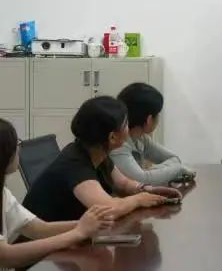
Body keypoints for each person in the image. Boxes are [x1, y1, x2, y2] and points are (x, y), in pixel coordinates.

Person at [22, 96, 182, 223]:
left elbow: (123, 184)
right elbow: (108, 209)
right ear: (112, 137)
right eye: (126, 124)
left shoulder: (97, 153)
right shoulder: (75, 164)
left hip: (68, 238)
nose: (129, 128)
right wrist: (139, 199)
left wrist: (147, 190)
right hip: (42, 249)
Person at [0, 118, 113, 270]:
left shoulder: (4, 193)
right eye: (16, 144)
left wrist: (90, 224)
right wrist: (77, 233)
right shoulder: (74, 161)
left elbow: (39, 229)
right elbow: (6, 257)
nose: (19, 149)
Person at [111, 83, 195, 186]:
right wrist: (176, 170)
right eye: (158, 115)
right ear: (149, 119)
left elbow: (175, 159)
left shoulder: (141, 138)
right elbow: (141, 181)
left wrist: (150, 174)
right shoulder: (118, 144)